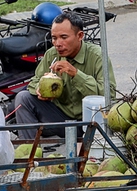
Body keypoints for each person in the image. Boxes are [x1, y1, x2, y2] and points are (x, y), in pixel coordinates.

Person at [14, 11, 116, 140]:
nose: (57, 43)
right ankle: (29, 152)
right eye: (54, 38)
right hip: (61, 119)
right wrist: (40, 89)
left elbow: (109, 95)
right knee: (24, 98)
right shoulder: (51, 55)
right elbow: (34, 81)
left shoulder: (97, 56)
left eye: (63, 37)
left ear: (80, 36)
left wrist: (76, 74)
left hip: (90, 121)